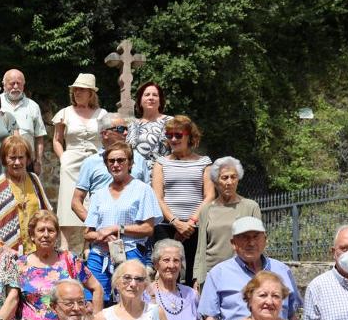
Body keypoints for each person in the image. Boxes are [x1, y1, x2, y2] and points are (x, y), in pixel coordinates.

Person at [84, 141, 163, 303]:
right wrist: (103, 236)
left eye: (121, 160)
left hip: (130, 252)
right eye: (111, 161)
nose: (116, 164)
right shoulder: (98, 194)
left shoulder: (142, 190)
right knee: (92, 300)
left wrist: (116, 229)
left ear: (130, 163)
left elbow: (148, 228)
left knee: (130, 300)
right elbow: (88, 233)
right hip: (100, 254)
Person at [17, 209, 104, 320]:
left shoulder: (69, 260)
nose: (46, 235)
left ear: (57, 235)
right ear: (32, 235)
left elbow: (97, 287)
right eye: (41, 230)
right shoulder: (20, 265)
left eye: (51, 230)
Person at [199, 217, 301, 320]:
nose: (251, 243)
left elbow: (292, 316)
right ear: (233, 243)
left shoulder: (282, 270)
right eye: (244, 237)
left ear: (265, 240)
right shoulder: (218, 274)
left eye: (256, 236)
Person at [151, 115, 213, 286]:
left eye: (178, 135)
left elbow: (209, 195)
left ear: (189, 136)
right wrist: (175, 222)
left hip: (195, 227)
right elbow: (157, 196)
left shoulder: (204, 162)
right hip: (166, 227)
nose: (173, 139)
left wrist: (191, 222)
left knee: (195, 276)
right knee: (167, 275)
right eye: (169, 135)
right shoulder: (160, 163)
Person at [53, 73, 104, 250]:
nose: (77, 93)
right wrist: (63, 158)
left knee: (92, 203)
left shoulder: (102, 114)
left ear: (91, 93)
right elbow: (57, 140)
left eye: (82, 90)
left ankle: (90, 251)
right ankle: (65, 250)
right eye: (75, 90)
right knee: (67, 204)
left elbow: (108, 138)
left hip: (96, 163)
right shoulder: (64, 113)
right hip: (71, 162)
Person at [193, 156, 261, 288]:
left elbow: (259, 243)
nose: (229, 182)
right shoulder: (206, 210)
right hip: (211, 274)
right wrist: (198, 277)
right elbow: (201, 247)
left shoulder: (251, 207)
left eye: (233, 177)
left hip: (243, 273)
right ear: (216, 181)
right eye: (224, 178)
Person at [0, 134, 52, 254]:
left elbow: (47, 214)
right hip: (2, 254)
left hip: (35, 252)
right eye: (12, 158)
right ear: (4, 159)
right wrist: (2, 247)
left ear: (27, 159)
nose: (17, 162)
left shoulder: (34, 179)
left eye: (21, 157)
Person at [71, 111, 149, 220]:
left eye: (127, 129)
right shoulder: (91, 162)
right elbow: (76, 201)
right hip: (101, 231)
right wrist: (95, 225)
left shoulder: (139, 159)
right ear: (105, 134)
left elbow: (149, 197)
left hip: (135, 230)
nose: (126, 133)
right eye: (121, 129)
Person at [146, 239, 201, 320]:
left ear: (181, 265)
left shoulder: (192, 295)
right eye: (166, 260)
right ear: (156, 264)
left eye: (176, 260)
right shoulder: (146, 294)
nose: (171, 266)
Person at [0, 68, 48, 170]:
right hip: (0, 161)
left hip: (26, 162)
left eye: (19, 83)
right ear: (4, 85)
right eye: (12, 83)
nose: (16, 87)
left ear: (23, 85)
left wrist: (38, 161)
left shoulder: (33, 106)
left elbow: (39, 136)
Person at [128, 81, 172, 174]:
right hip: (134, 176)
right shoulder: (132, 125)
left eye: (155, 95)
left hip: (162, 174)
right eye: (147, 95)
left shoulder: (170, 122)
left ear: (160, 101)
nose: (151, 98)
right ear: (140, 101)